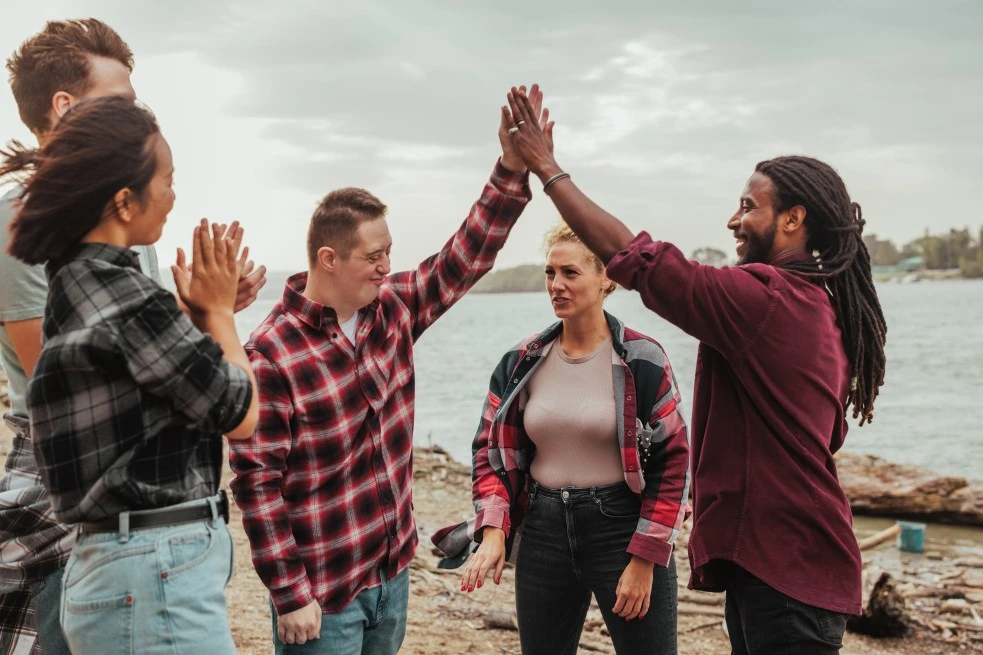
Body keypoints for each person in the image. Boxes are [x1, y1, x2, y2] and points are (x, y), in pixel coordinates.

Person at [502, 88, 888, 654]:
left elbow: (643, 263)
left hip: (787, 566)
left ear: (793, 219)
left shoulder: (770, 299)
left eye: (749, 206)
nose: (734, 220)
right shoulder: (819, 306)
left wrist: (548, 169)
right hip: (785, 563)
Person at [227, 87, 546, 654]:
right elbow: (258, 487)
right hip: (324, 594)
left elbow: (464, 257)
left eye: (389, 252)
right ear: (329, 259)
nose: (386, 265)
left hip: (392, 573)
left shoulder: (393, 310)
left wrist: (510, 169)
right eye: (374, 256)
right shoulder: (272, 353)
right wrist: (288, 593)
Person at [0, 19, 266, 655]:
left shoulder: (88, 255)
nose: (138, 115)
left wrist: (196, 312)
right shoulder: (25, 218)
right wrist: (215, 319)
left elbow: (115, 344)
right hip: (115, 508)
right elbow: (77, 379)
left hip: (126, 524)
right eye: (122, 104)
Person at [433, 221, 689, 654]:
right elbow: (490, 451)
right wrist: (494, 529)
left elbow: (674, 460)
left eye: (570, 273)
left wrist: (645, 557)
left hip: (622, 531)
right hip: (543, 531)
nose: (556, 285)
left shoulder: (643, 358)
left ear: (606, 277)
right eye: (550, 273)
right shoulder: (521, 360)